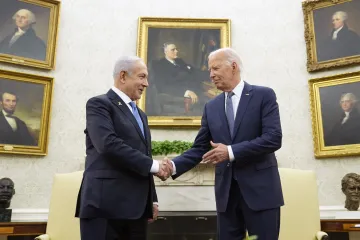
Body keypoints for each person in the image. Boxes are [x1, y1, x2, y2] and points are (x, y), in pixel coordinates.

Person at [163, 48, 284, 239]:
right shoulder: (211, 106)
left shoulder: (263, 96)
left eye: (215, 68)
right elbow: (200, 148)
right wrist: (173, 165)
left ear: (233, 66)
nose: (211, 75)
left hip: (261, 193)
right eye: (210, 70)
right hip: (227, 196)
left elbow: (273, 138)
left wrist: (230, 151)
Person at [75, 56, 170, 240]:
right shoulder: (99, 104)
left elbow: (144, 155)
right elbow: (108, 145)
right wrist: (156, 166)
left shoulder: (141, 115)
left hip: (138, 209)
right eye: (142, 77)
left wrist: (152, 198)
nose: (147, 83)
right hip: (105, 207)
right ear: (123, 76)